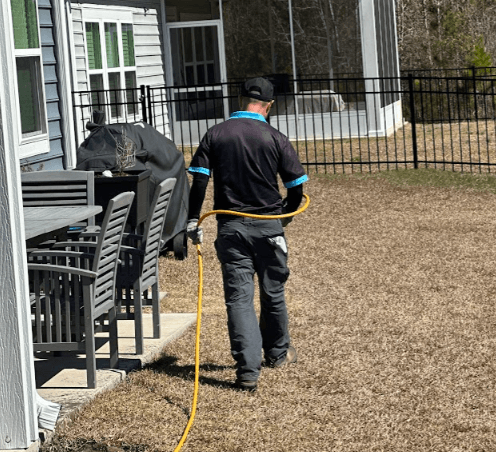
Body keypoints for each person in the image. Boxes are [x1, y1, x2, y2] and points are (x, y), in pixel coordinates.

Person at [186, 77, 308, 392]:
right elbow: (296, 187)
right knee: (273, 293)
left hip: (231, 229)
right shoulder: (275, 137)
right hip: (269, 228)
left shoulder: (216, 134)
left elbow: (199, 181)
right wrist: (285, 213)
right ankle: (278, 355)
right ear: (269, 105)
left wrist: (191, 220)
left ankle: (248, 374)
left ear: (241, 100)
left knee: (239, 299)